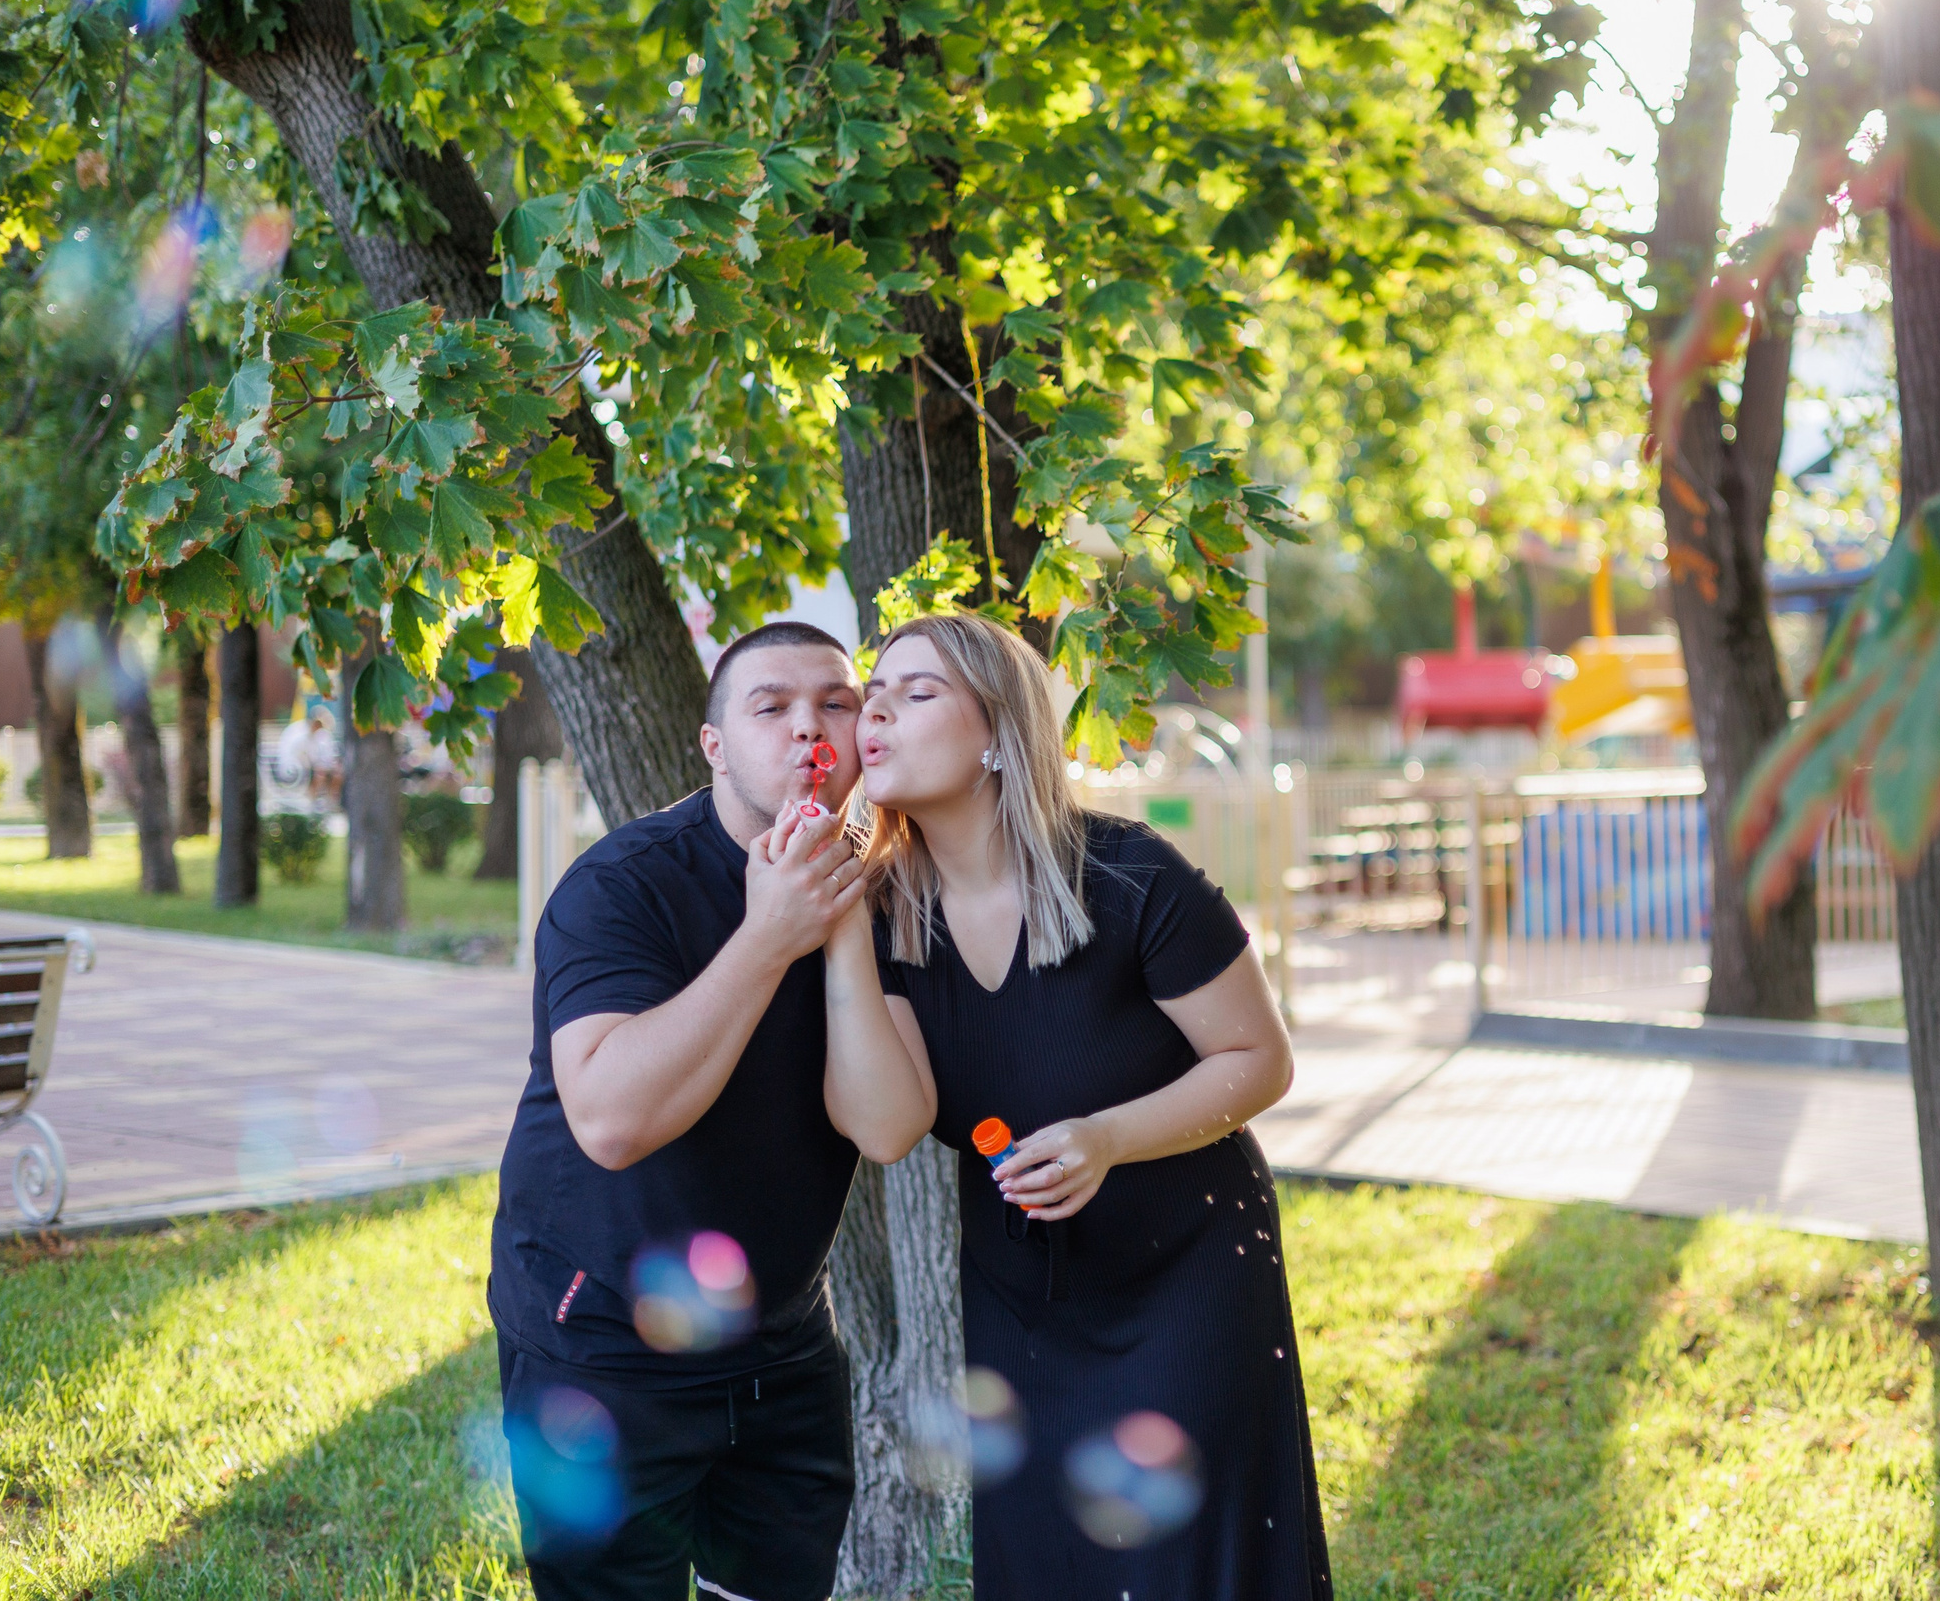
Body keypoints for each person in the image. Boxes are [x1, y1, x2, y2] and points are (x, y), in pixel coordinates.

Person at [855, 612, 1332, 1600]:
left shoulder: (1133, 878)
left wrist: (1106, 1138)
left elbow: (1259, 1060)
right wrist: (823, 934)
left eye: (917, 692)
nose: (877, 714)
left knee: (1183, 1553)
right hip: (1020, 1282)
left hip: (1189, 1265)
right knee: (1042, 1550)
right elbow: (890, 1122)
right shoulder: (877, 917)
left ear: (996, 734)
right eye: (873, 694)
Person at [488, 621, 936, 1601]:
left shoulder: (886, 891)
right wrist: (769, 935)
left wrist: (839, 922)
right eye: (769, 708)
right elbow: (611, 1120)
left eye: (835, 703)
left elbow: (887, 1127)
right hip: (600, 1340)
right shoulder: (620, 888)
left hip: (779, 1341)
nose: (806, 729)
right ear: (716, 746)